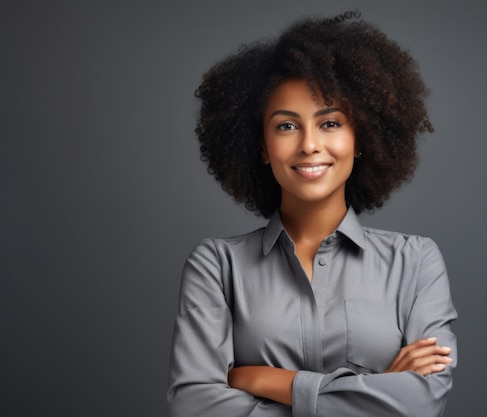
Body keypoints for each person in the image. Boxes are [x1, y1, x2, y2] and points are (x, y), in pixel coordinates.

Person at [167, 10, 458, 417]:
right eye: (287, 126)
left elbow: (420, 402)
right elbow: (194, 406)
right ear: (262, 147)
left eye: (330, 123)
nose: (309, 145)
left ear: (361, 140)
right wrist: (373, 392)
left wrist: (266, 380)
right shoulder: (217, 267)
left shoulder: (415, 262)